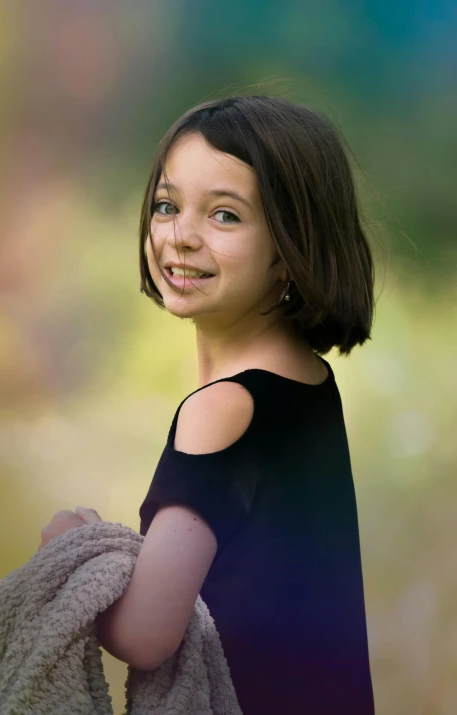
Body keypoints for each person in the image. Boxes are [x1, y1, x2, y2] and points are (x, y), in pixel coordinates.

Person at [136, 95, 376, 714]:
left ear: (291, 246)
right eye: (167, 205)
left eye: (224, 215)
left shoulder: (223, 409)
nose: (180, 236)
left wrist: (73, 552)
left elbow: (146, 634)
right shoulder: (309, 380)